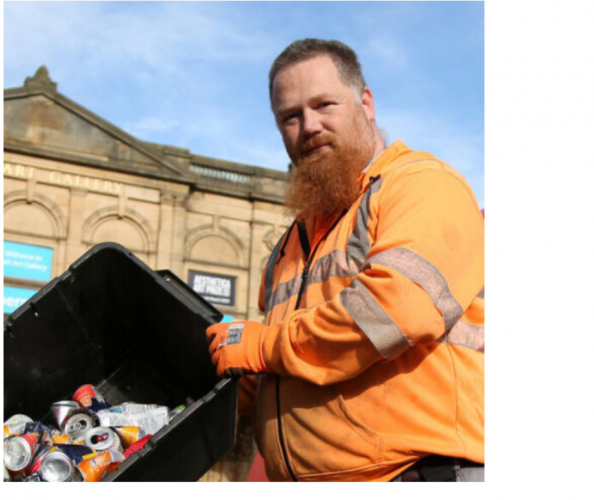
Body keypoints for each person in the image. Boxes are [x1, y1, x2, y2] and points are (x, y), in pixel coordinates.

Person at [205, 38, 484, 482]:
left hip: (417, 473)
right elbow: (278, 364)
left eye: (324, 105)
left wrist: (260, 345)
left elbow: (395, 311)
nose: (309, 126)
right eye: (290, 117)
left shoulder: (421, 184)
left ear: (366, 103)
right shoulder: (290, 244)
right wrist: (219, 384)